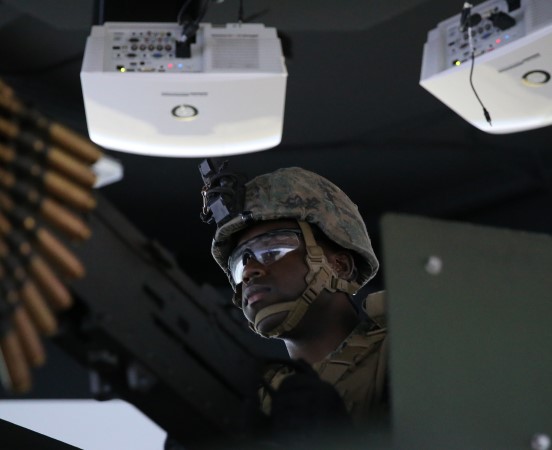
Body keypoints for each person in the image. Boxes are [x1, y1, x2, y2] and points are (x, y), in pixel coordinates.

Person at [205, 166, 389, 440]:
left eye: (273, 250)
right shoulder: (256, 402)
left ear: (339, 265)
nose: (249, 271)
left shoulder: (405, 350)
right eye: (239, 264)